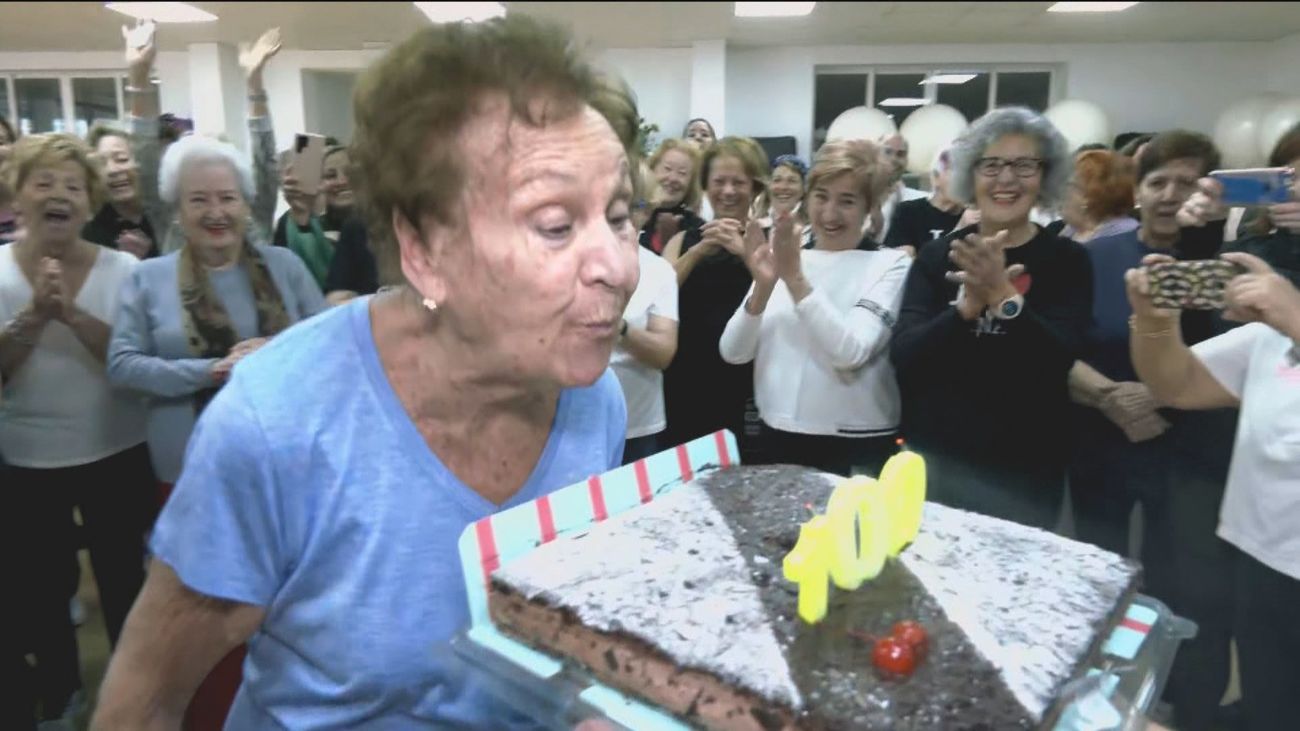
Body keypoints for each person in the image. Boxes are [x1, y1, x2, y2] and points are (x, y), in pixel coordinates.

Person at [92, 14, 640, 730]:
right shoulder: (276, 426)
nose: (621, 265)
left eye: (622, 214)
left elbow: (557, 644)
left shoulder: (595, 398)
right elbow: (145, 701)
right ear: (423, 250)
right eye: (555, 225)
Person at [1070, 130, 1236, 731]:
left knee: (1187, 589)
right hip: (1102, 440)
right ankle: (1094, 702)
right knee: (1099, 578)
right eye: (1156, 182)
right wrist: (1110, 395)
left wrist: (1162, 396)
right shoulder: (1097, 257)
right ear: (1136, 192)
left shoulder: (1221, 261)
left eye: (1186, 183)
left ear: (1210, 194)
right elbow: (1065, 343)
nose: (1170, 195)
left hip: (1189, 451)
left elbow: (1220, 352)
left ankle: (1182, 708)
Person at [0, 133, 156, 729]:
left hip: (117, 449)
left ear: (90, 205)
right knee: (41, 592)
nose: (58, 195)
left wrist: (70, 313)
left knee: (125, 583)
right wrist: (34, 315)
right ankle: (63, 696)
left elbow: (133, 365)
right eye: (43, 182)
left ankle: (132, 696)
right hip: (27, 459)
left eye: (72, 186)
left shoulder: (126, 271)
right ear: (18, 195)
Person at [891, 106, 1090, 531]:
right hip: (940, 459)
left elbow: (1060, 359)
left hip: (1029, 464)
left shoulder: (1068, 260)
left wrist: (1002, 295)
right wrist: (964, 310)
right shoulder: (937, 255)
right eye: (992, 165)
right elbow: (905, 357)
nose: (1006, 179)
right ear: (970, 174)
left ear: (1045, 176)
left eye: (1023, 165)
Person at [1126, 249, 1300, 731]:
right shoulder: (1274, 327)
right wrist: (1154, 320)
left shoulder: (1289, 314)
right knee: (1271, 704)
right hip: (1263, 558)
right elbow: (1175, 385)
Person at [720, 139, 910, 476]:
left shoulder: (889, 264)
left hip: (855, 443)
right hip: (774, 436)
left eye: (847, 201)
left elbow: (850, 352)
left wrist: (793, 279)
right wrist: (763, 287)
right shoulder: (789, 253)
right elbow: (733, 352)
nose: (829, 213)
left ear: (870, 207)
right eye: (821, 196)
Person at [124, 24, 283, 255]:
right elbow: (144, 163)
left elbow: (265, 160)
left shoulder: (253, 215)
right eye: (199, 198)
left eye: (226, 196)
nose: (215, 212)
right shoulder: (171, 221)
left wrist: (254, 82)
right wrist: (139, 77)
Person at [661, 136, 768, 458]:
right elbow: (657, 298)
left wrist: (744, 252)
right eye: (719, 181)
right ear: (705, 187)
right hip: (684, 383)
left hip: (747, 385)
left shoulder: (769, 240)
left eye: (739, 182)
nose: (729, 191)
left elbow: (783, 299)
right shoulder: (683, 239)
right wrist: (697, 252)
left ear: (755, 188)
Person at [613, 166, 679, 463]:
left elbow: (663, 352)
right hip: (572, 423)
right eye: (617, 201)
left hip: (638, 426)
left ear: (650, 210)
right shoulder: (570, 259)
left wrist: (617, 326)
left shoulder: (659, 271)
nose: (625, 215)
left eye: (637, 206)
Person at [272, 145, 354, 289]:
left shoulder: (382, 223)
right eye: (330, 176)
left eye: (350, 173)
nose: (342, 181)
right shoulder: (297, 224)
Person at [82, 125, 158, 259]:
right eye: (102, 163)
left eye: (122, 159)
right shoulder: (90, 233)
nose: (112, 170)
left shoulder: (164, 214)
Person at [884, 146, 963, 257]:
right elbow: (905, 263)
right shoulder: (908, 212)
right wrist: (960, 228)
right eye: (955, 172)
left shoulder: (974, 216)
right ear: (936, 177)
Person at [638, 138, 704, 255]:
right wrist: (648, 205)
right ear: (652, 170)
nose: (673, 178)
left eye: (682, 173)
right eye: (667, 169)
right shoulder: (633, 211)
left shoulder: (697, 230)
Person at [1060, 149, 1139, 243]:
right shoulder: (1070, 231)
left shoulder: (1123, 233)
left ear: (1088, 196)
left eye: (1069, 185)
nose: (1061, 192)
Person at [873, 132, 928, 246]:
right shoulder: (858, 197)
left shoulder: (920, 201)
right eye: (887, 152)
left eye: (901, 154)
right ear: (875, 155)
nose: (894, 159)